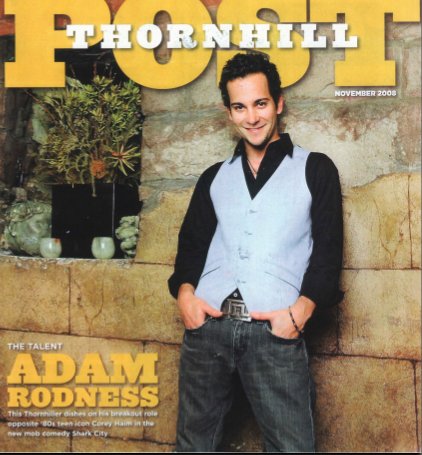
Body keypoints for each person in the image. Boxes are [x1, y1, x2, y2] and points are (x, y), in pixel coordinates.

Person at [168, 52, 343, 452]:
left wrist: (298, 314)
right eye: (240, 107)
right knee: (193, 446)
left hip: (274, 332)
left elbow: (328, 252)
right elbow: (191, 247)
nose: (251, 117)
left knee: (292, 447)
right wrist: (186, 298)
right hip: (208, 329)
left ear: (278, 103)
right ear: (228, 112)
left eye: (260, 103)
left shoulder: (315, 169)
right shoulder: (214, 176)